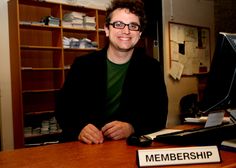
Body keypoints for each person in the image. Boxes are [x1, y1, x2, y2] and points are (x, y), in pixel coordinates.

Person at [55, 0, 168, 144]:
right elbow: (63, 108)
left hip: (127, 148)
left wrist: (132, 127)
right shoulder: (83, 65)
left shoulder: (151, 68)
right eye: (119, 24)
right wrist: (80, 128)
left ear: (139, 33)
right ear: (107, 29)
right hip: (84, 148)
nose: (126, 31)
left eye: (133, 26)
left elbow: (159, 115)